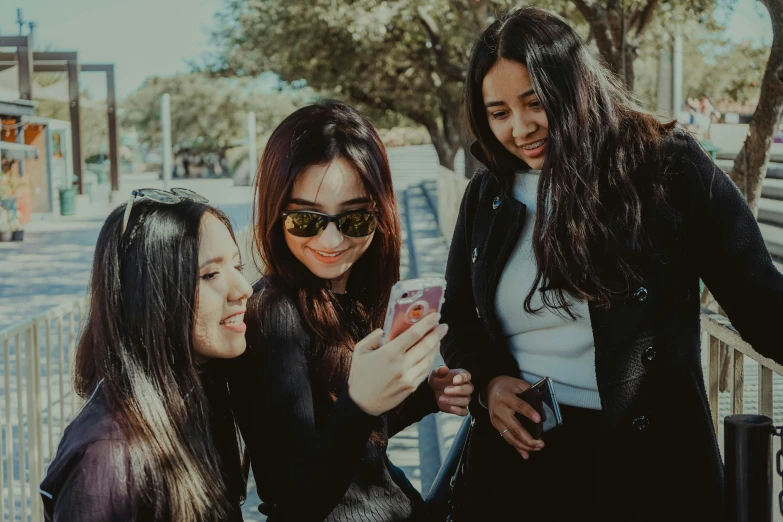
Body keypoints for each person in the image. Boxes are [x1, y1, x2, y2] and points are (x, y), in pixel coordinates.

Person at [441, 6, 783, 522]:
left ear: (573, 87)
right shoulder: (485, 195)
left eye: (536, 103)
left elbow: (761, 301)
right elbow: (459, 319)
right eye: (499, 112)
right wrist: (488, 385)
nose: (521, 128)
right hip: (518, 469)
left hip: (647, 470)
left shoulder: (666, 165)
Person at [227, 100, 474, 522]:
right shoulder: (272, 316)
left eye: (356, 220)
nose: (332, 239)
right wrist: (360, 404)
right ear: (275, 210)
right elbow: (294, 498)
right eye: (306, 220)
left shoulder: (349, 292)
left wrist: (424, 398)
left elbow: (356, 443)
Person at [40, 188, 253, 521]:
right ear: (152, 296)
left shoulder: (197, 393)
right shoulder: (107, 457)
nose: (243, 289)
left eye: (237, 266)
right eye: (211, 274)